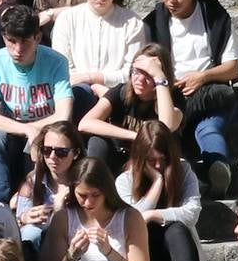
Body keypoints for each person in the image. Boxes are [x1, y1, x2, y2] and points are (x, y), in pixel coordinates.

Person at [144, 0, 238, 196]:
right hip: (172, 95)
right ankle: (197, 173)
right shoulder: (154, 22)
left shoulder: (215, 17)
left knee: (213, 116)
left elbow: (232, 69)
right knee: (186, 122)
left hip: (209, 92)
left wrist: (202, 77)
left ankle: (216, 170)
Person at [0, 4, 73, 204]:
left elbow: (63, 114)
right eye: (11, 41)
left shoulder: (56, 61)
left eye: (24, 41)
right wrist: (26, 129)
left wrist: (34, 130)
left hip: (45, 133)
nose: (17, 49)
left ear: (38, 38)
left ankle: (32, 200)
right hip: (12, 132)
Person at [115, 121, 208, 261]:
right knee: (141, 230)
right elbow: (130, 220)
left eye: (162, 159)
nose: (158, 165)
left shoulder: (183, 171)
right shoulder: (124, 181)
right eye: (151, 160)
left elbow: (192, 212)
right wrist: (157, 182)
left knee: (176, 228)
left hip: (179, 258)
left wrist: (156, 215)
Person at [51, 0, 147, 122]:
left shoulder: (132, 22)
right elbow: (62, 68)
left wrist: (93, 79)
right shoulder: (67, 19)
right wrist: (88, 85)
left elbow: (132, 72)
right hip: (77, 94)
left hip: (116, 96)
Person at [79, 43, 184, 173]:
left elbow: (166, 125)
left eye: (148, 74)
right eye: (136, 72)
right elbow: (85, 123)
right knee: (97, 141)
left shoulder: (173, 97)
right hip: (119, 156)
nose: (139, 79)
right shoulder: (122, 91)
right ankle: (95, 187)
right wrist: (136, 136)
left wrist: (159, 78)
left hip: (153, 161)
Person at [12, 120, 83, 250]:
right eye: (47, 150)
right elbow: (17, 227)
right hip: (37, 246)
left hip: (76, 240)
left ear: (76, 153)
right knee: (30, 233)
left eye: (61, 152)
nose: (52, 157)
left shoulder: (85, 181)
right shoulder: (32, 181)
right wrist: (24, 218)